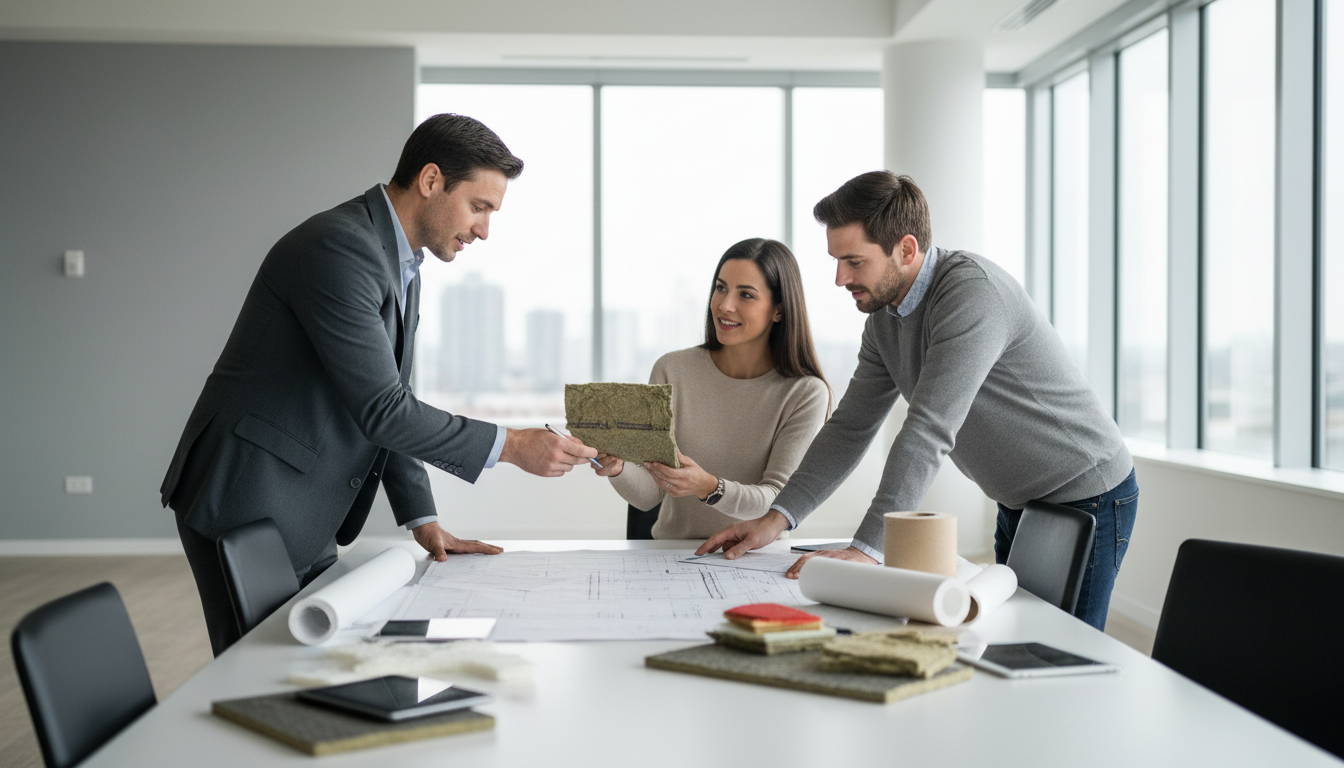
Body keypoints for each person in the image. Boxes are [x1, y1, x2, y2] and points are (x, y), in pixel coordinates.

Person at [161, 114, 599, 655]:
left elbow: (389, 401)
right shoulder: (339, 249)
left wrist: (423, 518)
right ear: (432, 180)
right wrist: (510, 445)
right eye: (479, 207)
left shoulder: (398, 262)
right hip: (249, 496)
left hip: (303, 503)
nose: (484, 229)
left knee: (306, 665)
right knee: (258, 672)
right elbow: (384, 410)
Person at [696, 172, 1137, 631]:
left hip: (1086, 490)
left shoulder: (972, 294)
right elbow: (850, 427)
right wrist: (777, 519)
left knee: (1061, 646)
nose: (839, 278)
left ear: (905, 250)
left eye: (853, 261)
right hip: (1018, 499)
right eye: (836, 260)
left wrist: (867, 548)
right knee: (1016, 638)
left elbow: (929, 429)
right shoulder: (885, 319)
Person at [592, 238, 830, 539]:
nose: (725, 305)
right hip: (670, 559)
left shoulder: (805, 392)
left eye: (746, 294)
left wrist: (708, 487)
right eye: (721, 288)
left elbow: (778, 502)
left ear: (778, 310)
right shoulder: (671, 370)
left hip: (753, 559)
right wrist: (617, 468)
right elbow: (649, 495)